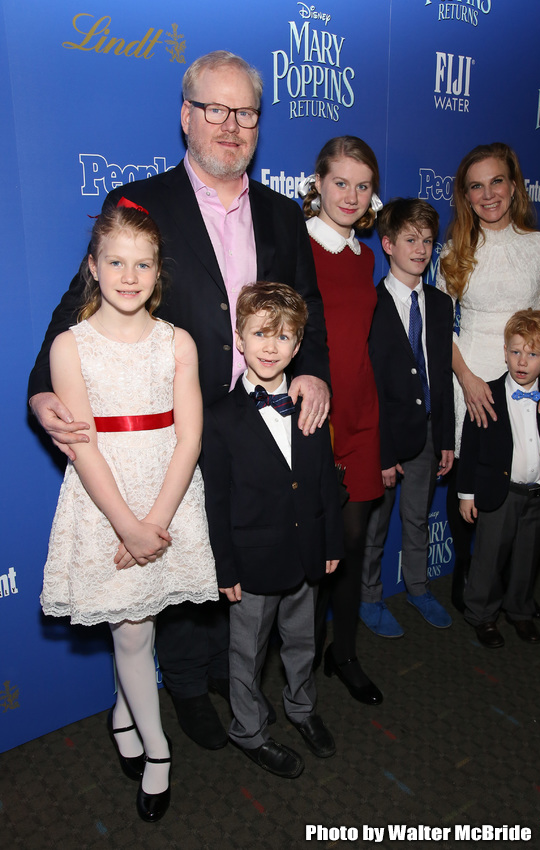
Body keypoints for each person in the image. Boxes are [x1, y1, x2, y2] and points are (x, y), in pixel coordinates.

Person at [28, 51, 330, 750]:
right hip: (174, 438)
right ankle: (188, 690)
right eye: (215, 110)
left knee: (236, 556)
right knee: (178, 573)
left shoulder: (285, 216)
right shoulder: (140, 204)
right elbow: (74, 310)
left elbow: (305, 307)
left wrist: (312, 371)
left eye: (245, 113)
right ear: (186, 117)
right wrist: (42, 393)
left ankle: (233, 677)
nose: (231, 126)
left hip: (257, 426)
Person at [40, 203, 218, 821]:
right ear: (93, 266)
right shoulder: (70, 346)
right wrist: (127, 525)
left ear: (157, 272)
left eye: (142, 263)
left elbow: (190, 436)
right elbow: (82, 447)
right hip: (105, 499)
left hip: (168, 496)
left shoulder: (179, 342)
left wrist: (157, 522)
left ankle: (124, 712)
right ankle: (159, 751)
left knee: (138, 623)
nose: (129, 274)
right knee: (133, 628)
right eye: (115, 261)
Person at [202, 282, 343, 779]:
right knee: (247, 653)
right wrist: (225, 565)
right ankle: (250, 731)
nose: (270, 345)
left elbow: (325, 478)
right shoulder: (219, 417)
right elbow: (214, 499)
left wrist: (330, 541)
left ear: (298, 345)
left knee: (304, 641)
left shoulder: (311, 403)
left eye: (283, 337)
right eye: (260, 333)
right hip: (252, 562)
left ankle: (301, 709)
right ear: (239, 338)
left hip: (307, 554)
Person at [436, 142, 540, 612]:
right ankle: (466, 576)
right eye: (476, 186)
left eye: (496, 182)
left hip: (530, 375)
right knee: (471, 475)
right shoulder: (454, 250)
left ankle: (512, 585)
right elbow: (438, 326)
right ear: (465, 196)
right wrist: (468, 378)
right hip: (469, 372)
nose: (488, 194)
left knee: (524, 478)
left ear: (513, 186)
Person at [300, 136, 384, 705]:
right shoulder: (296, 246)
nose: (351, 195)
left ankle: (344, 652)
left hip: (363, 414)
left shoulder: (367, 256)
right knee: (313, 547)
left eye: (363, 185)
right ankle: (302, 658)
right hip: (314, 416)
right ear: (318, 183)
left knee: (354, 543)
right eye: (340, 183)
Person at [362, 199, 454, 637]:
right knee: (376, 524)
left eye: (428, 240)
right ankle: (369, 597)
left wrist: (448, 438)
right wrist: (380, 450)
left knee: (418, 516)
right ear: (388, 244)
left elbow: (442, 374)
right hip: (385, 437)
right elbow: (369, 385)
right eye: (410, 239)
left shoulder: (438, 304)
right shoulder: (371, 304)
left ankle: (418, 587)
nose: (420, 249)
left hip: (430, 431)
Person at [458, 309, 540, 648]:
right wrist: (466, 494)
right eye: (516, 351)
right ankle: (482, 616)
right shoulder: (487, 395)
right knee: (489, 559)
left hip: (537, 496)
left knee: (527, 558)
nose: (523, 361)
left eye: (533, 354)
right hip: (498, 494)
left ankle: (519, 611)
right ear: (504, 352)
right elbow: (472, 447)